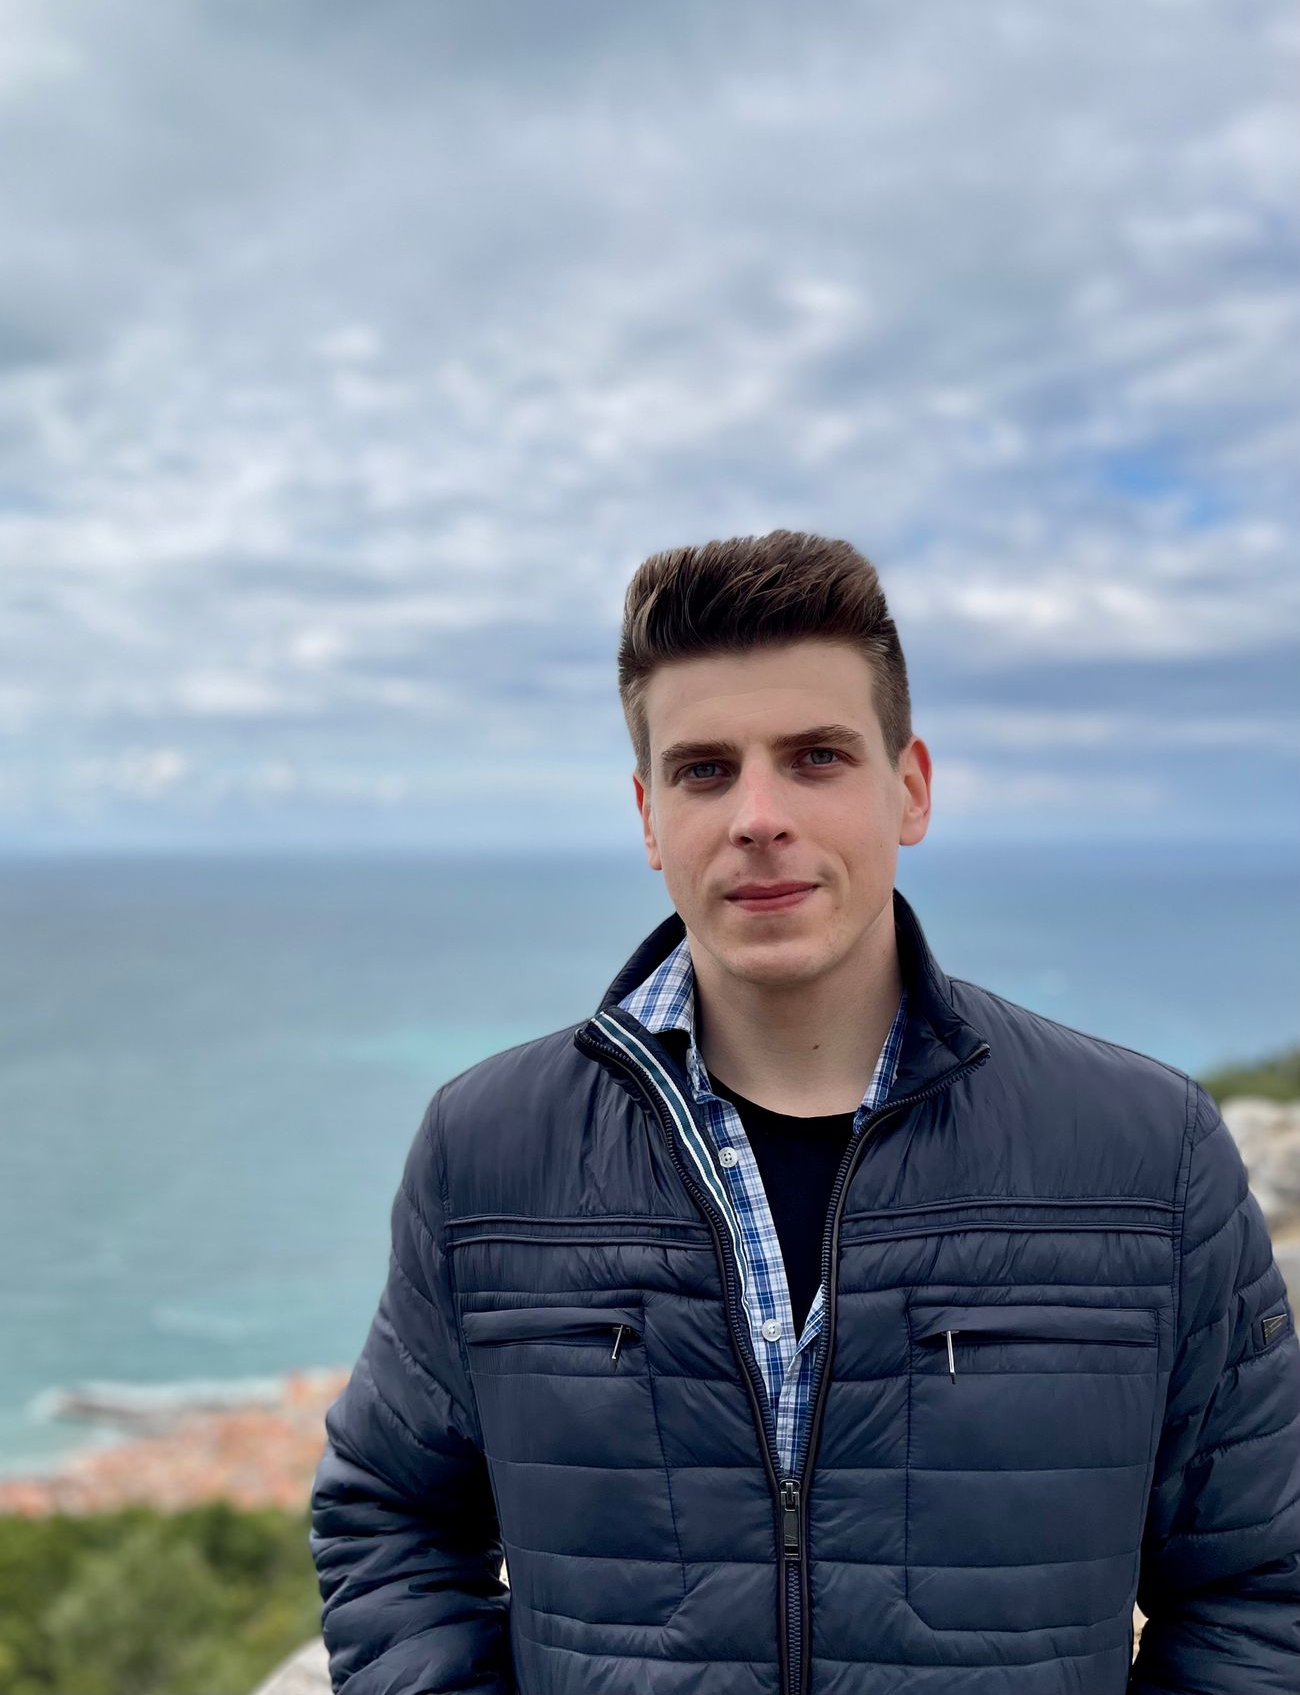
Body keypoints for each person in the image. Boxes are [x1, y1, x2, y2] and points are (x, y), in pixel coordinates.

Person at [309, 529, 1300, 1694]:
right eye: (703, 770)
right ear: (648, 818)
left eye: (816, 757)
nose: (758, 815)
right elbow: (393, 1520)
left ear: (909, 788)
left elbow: (1258, 1587)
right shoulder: (486, 1150)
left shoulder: (1144, 1151)